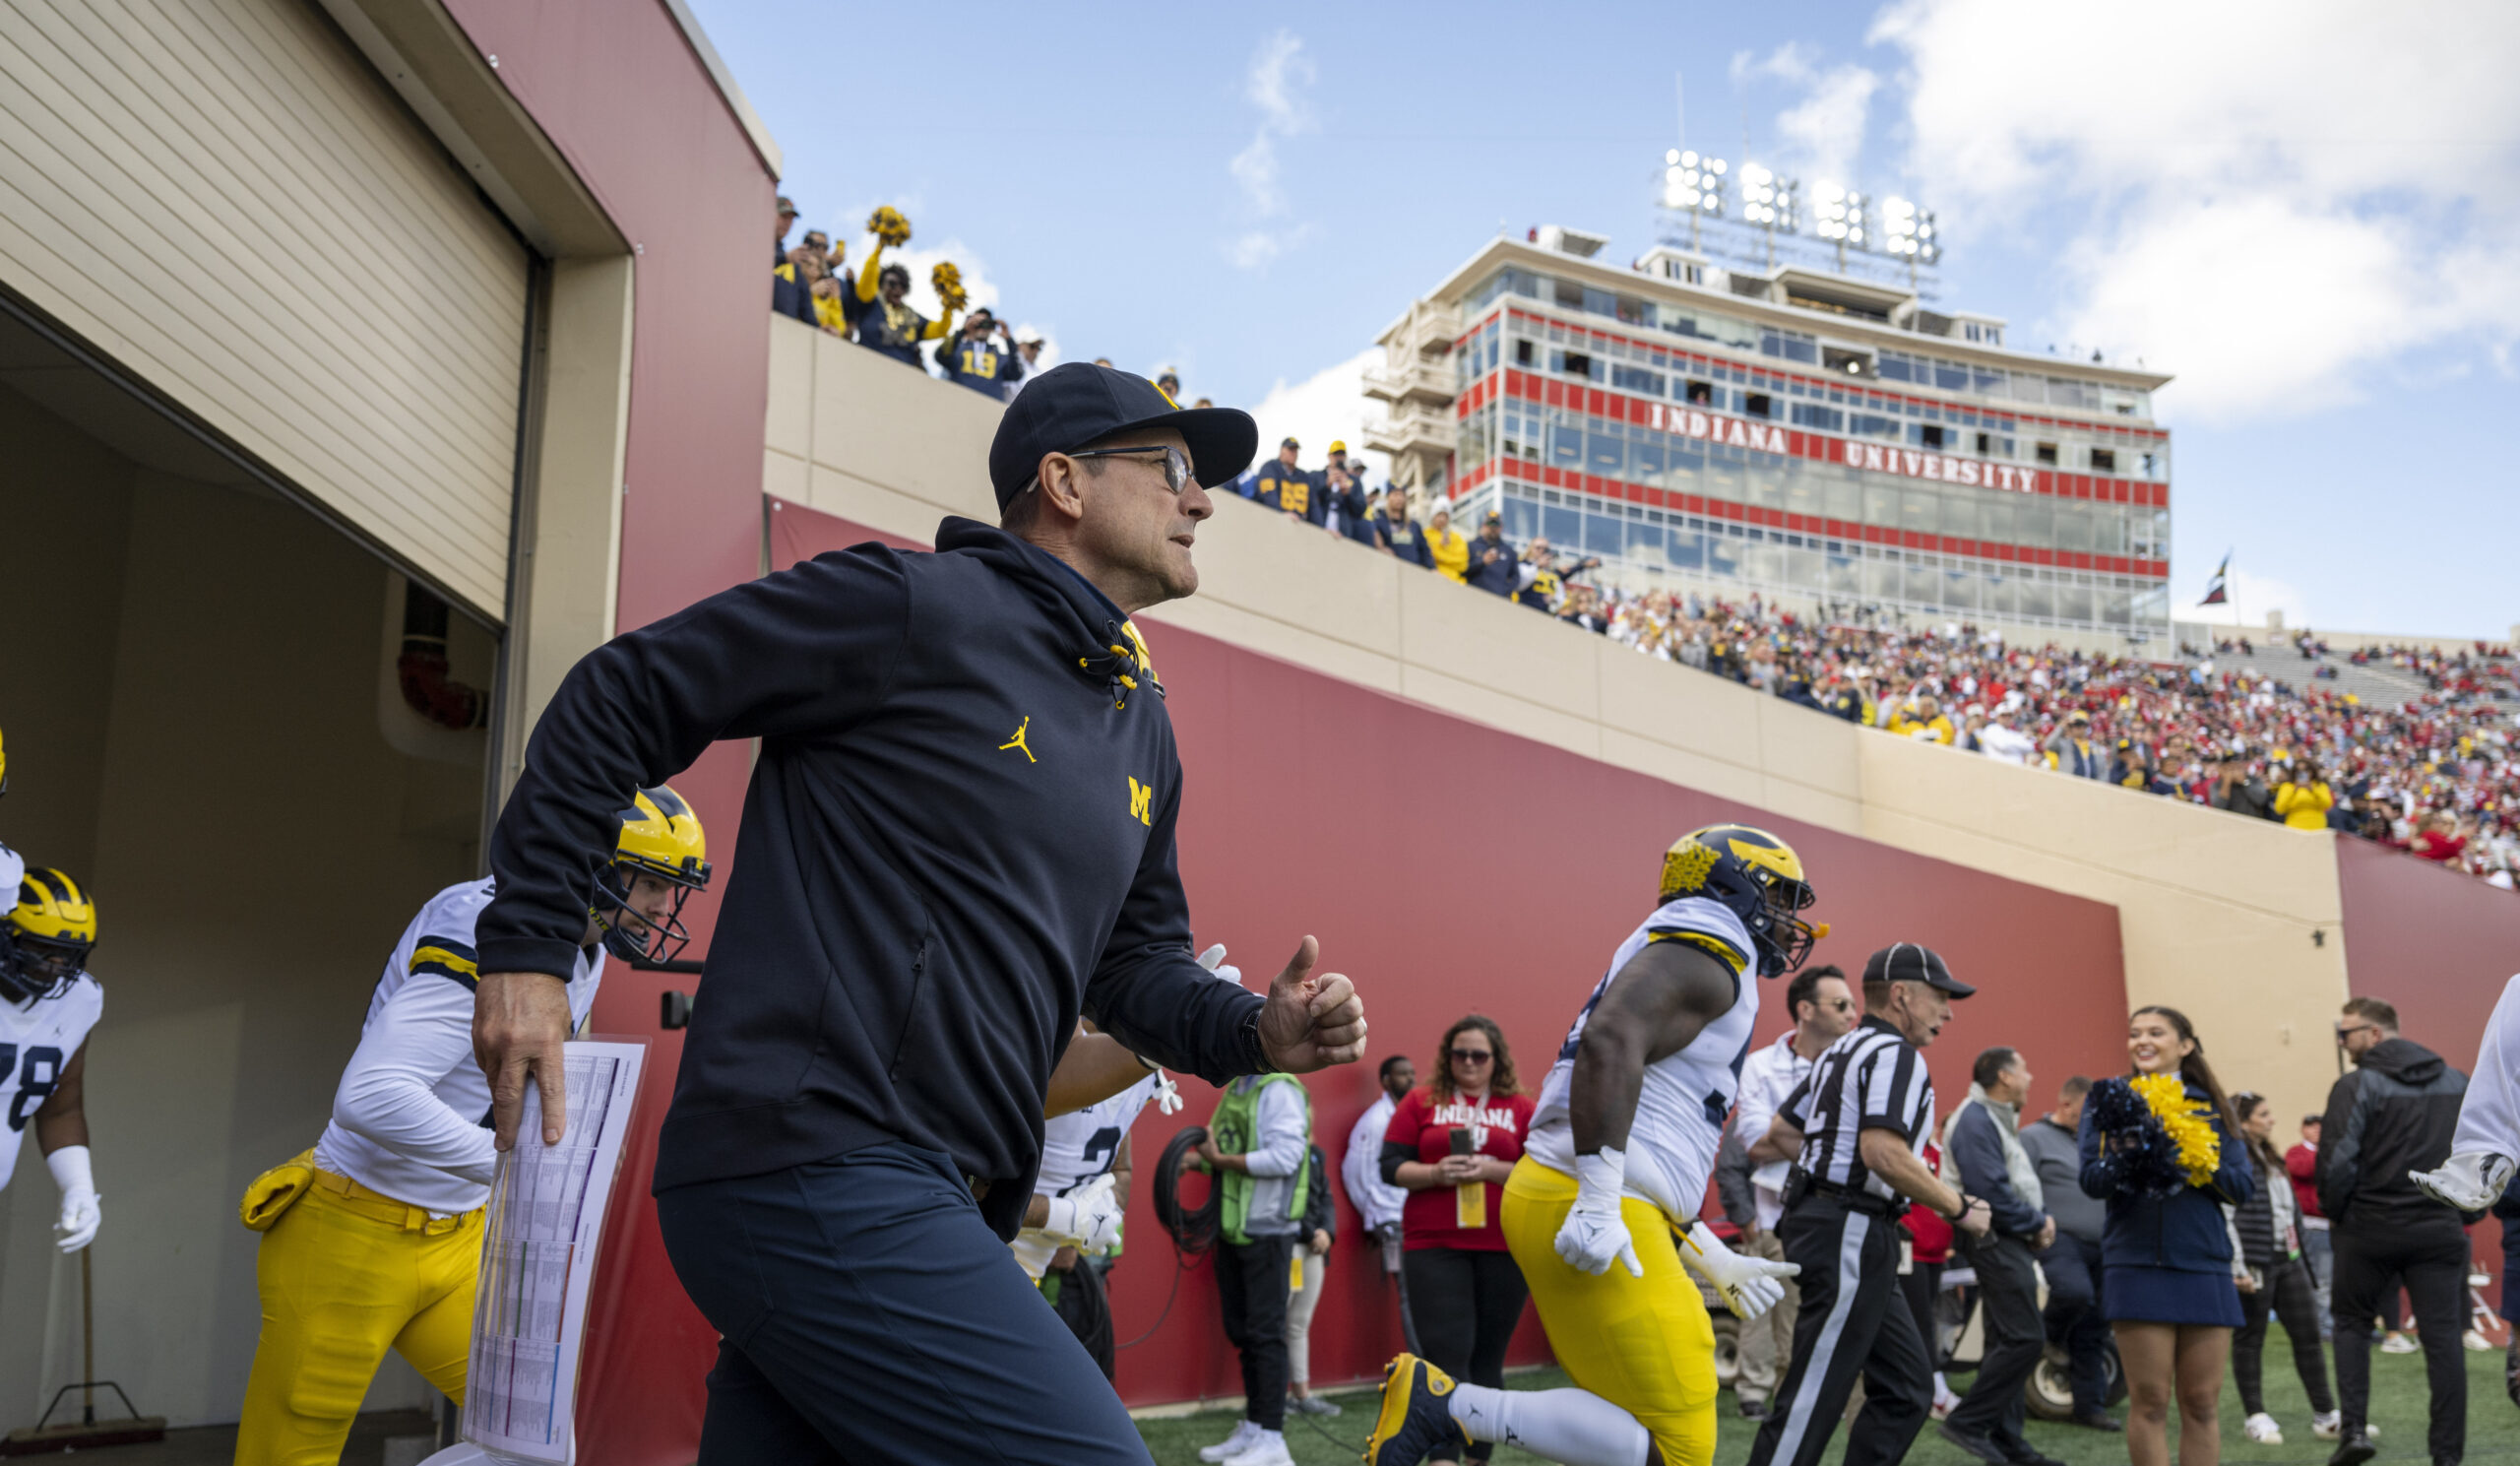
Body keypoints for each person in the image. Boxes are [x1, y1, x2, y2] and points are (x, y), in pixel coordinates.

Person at [468, 363, 1368, 1464]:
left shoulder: (1143, 729)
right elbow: (621, 695)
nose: (1203, 501)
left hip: (935, 1187)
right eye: (1173, 467)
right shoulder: (911, 606)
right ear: (1064, 483)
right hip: (812, 1158)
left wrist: (1252, 1031)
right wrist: (528, 948)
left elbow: (1135, 966)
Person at [238, 791, 708, 1463]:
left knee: (537, 1447)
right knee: (289, 1455)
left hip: (461, 1237)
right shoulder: (483, 922)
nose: (665, 907)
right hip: (353, 1228)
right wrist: (526, 1168)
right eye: (655, 881)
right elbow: (372, 1094)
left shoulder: (585, 943)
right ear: (597, 864)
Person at [1365, 824, 1814, 1466]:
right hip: (1594, 1199)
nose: (1786, 917)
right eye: (1776, 894)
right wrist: (1602, 1197)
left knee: (1635, 1429)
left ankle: (1452, 1405)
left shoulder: (1692, 947)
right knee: (1681, 1445)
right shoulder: (1712, 937)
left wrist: (1709, 1250)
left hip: (1580, 1193)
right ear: (1728, 884)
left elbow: (1650, 1118)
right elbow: (1610, 1041)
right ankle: (1449, 1406)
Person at [1743, 943, 1988, 1466]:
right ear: (1901, 995)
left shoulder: (1839, 1050)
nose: (1948, 1012)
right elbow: (1882, 1152)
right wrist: (1960, 1207)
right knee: (1814, 1395)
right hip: (1850, 1226)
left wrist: (1824, 1174)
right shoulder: (1896, 1054)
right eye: (1940, 998)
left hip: (1842, 1224)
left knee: (1907, 1387)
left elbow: (1782, 1133)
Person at [2078, 1006, 2250, 1466]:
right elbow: (2092, 1181)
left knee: (2200, 1402)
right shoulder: (2109, 1102)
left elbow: (2242, 1187)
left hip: (2203, 1263)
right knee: (2150, 1401)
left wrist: (2197, 1156)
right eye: (2135, 1033)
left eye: (2156, 1032)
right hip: (2135, 1264)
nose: (2142, 1041)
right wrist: (2132, 1151)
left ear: (2186, 1045)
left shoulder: (2213, 1105)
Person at [1376, 1016, 1537, 1465]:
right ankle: (1444, 1457)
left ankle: (1477, 1458)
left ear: (1496, 1060)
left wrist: (1489, 1169)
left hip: (1505, 1246)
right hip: (1434, 1245)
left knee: (1488, 1360)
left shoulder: (1521, 1107)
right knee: (1446, 1356)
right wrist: (1435, 1173)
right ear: (1448, 1057)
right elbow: (1389, 1167)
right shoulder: (1421, 1100)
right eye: (1459, 1053)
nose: (1468, 1062)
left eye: (1479, 1054)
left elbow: (1541, 1173)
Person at [2317, 995, 2468, 1466]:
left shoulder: (2356, 1085)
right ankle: (2447, 1456)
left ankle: (2355, 1433)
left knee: (2352, 1326)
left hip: (2369, 1228)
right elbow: (2478, 1159)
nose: (2342, 1043)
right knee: (2443, 1340)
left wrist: (2340, 1215)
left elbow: (2337, 1163)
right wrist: (2461, 1217)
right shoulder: (2459, 1082)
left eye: (2346, 1034)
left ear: (2375, 1033)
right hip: (2439, 1230)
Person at [1730, 964, 1858, 1421]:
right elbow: (1755, 1143)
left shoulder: (1856, 1063)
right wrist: (1843, 1149)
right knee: (1777, 1319)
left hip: (1848, 1217)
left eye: (1853, 1005)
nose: (1852, 1014)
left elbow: (1775, 1138)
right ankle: (1775, 1404)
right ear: (1805, 1010)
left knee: (1833, 1316)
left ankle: (1827, 1405)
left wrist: (1789, 1137)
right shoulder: (1761, 1065)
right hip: (1777, 1216)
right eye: (1841, 1004)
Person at [1938, 1048, 2065, 1466]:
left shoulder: (1989, 1118)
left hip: (2004, 1239)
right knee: (2025, 1338)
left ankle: (2009, 1443)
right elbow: (1990, 1193)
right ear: (2005, 1077)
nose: (2030, 1078)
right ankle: (1968, 1423)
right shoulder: (1976, 1119)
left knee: (2002, 1341)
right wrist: (2037, 1222)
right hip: (1996, 1240)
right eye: (2025, 1069)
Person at [1193, 1068, 1313, 1466]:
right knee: (1244, 1332)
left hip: (1268, 1229)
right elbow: (1227, 1147)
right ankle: (1255, 1426)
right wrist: (1197, 1162)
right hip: (1234, 1227)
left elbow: (1286, 1157)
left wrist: (1220, 1160)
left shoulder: (1277, 1089)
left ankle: (1273, 1439)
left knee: (1266, 1334)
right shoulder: (1237, 1086)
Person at [0, 869, 105, 1258]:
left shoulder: (80, 1000)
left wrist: (78, 1185)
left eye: (70, 955)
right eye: (42, 950)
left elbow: (61, 1107)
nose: (56, 965)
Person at [2226, 1090, 2338, 1445]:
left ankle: (2326, 1416)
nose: (2272, 1119)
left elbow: (2290, 1214)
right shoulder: (2232, 1159)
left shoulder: (2271, 1157)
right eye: (2263, 1113)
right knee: (2249, 1341)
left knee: (2309, 1338)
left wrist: (2301, 1258)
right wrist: (2237, 1267)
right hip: (2253, 1265)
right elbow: (2226, 1216)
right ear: (2243, 1122)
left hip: (2288, 1263)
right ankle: (2255, 1416)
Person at [2017, 1077, 2118, 1431]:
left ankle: (2089, 1408)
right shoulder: (2032, 1137)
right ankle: (2049, 1339)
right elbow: (2019, 1184)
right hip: (2060, 1237)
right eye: (2091, 1112)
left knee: (2096, 1325)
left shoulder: (2100, 1142)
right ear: (2067, 1105)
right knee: (2075, 1293)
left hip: (2104, 1243)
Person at [1285, 1143, 1339, 1419]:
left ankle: (1301, 1395)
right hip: (1289, 1245)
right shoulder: (1281, 1152)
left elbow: (1325, 1197)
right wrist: (1311, 1233)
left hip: (1314, 1250)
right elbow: (1285, 1200)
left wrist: (1327, 1232)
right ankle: (1273, 1397)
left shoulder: (1316, 1153)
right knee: (1275, 1324)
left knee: (1298, 1324)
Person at [1346, 1054, 1415, 1253]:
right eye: (1403, 1074)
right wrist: (1374, 1213)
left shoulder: (1404, 1116)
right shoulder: (1376, 1121)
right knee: (1408, 1283)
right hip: (1388, 1221)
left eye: (1412, 1073)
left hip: (1407, 1217)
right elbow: (1355, 1174)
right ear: (1386, 1081)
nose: (1410, 1079)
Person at [2285, 1114, 2331, 1333]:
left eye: (2320, 1127)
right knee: (2317, 1279)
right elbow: (2302, 1169)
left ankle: (2324, 1322)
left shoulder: (2328, 1152)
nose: (2316, 1131)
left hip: (2328, 1225)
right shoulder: (2296, 1153)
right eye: (2311, 1127)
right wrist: (2328, 1153)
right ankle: (2319, 1325)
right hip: (2308, 1225)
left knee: (2328, 1279)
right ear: (2303, 1129)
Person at [937, 309, 1026, 398]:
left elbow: (1017, 374)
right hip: (956, 401)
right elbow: (940, 355)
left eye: (987, 323)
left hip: (987, 408)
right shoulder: (957, 349)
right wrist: (963, 330)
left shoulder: (1000, 357)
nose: (982, 327)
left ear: (992, 328)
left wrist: (1009, 340)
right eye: (977, 322)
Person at [771, 196, 817, 325]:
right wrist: (785, 259)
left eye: (791, 219)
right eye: (784, 216)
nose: (787, 223)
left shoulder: (793, 263)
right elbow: (755, 267)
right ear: (770, 213)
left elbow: (805, 309)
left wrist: (821, 331)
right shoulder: (756, 245)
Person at [1254, 437, 1311, 523]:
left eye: (1295, 450)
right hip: (1270, 520)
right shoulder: (1270, 467)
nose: (1293, 453)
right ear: (1281, 450)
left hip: (1298, 526)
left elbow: (1314, 506)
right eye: (1290, 449)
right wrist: (1281, 514)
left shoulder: (1304, 476)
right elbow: (1269, 494)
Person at [1371, 490, 1433, 568]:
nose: (1399, 498)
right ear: (1388, 497)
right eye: (1395, 494)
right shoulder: (1379, 522)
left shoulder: (1414, 525)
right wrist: (1381, 548)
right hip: (1390, 568)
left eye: (1402, 495)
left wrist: (1432, 568)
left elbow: (1424, 549)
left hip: (1414, 571)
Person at [1465, 512, 1518, 598]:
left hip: (1499, 600)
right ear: (1483, 525)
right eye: (1490, 523)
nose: (1493, 527)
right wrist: (1482, 561)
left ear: (1501, 527)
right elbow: (1463, 569)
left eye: (1496, 524)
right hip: (1474, 596)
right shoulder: (1471, 545)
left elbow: (1515, 576)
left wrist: (1507, 591)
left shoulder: (1509, 551)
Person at [2045, 710, 2105, 779]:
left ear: (2085, 727)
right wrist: (2061, 727)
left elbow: (2102, 771)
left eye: (2078, 725)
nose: (2074, 728)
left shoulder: (2095, 747)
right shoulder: (2065, 744)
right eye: (2071, 726)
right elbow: (2049, 745)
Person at [2275, 764, 2336, 830]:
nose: (2302, 773)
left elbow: (2327, 804)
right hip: (2294, 827)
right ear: (2294, 772)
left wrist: (2313, 790)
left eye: (2306, 770)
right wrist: (2294, 790)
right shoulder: (2287, 786)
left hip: (2317, 827)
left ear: (2312, 771)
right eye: (2298, 771)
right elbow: (2279, 809)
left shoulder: (2320, 786)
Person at [1426, 506, 1469, 584]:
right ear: (1433, 516)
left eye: (1445, 516)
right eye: (1439, 515)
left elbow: (1463, 565)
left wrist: (1439, 557)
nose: (1442, 519)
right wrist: (1440, 547)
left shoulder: (1456, 538)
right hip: (1432, 580)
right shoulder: (1425, 535)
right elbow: (1426, 557)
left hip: (1454, 582)